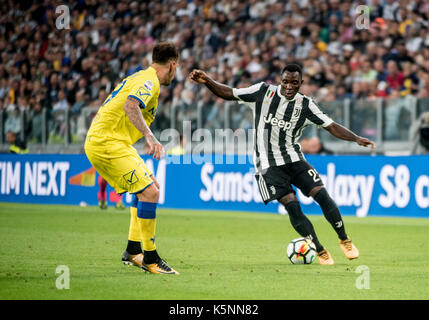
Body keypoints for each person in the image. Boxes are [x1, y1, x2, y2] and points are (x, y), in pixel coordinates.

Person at [190, 64, 375, 265]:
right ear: (280, 79)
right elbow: (229, 93)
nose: (289, 86)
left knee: (321, 194)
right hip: (268, 165)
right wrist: (207, 80)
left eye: (294, 82)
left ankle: (344, 239)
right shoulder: (262, 92)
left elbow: (331, 126)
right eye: (285, 81)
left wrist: (355, 138)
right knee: (292, 207)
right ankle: (320, 249)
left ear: (301, 83)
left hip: (294, 159)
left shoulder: (305, 105)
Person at [85, 42, 179, 274]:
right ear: (172, 65)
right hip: (106, 142)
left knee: (150, 188)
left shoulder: (140, 76)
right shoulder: (150, 81)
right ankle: (151, 258)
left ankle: (133, 250)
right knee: (151, 192)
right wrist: (150, 138)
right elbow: (130, 105)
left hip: (114, 141)